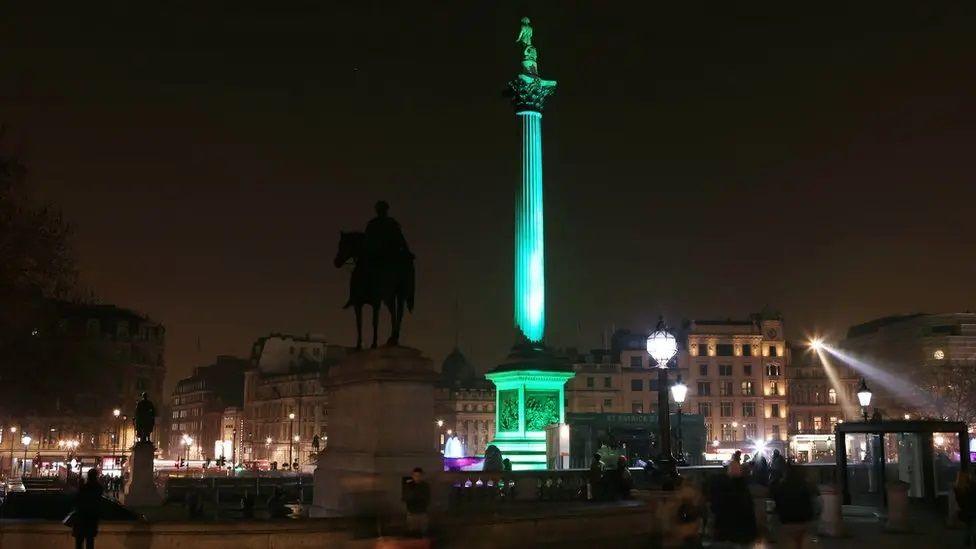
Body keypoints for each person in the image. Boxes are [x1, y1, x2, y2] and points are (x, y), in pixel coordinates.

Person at [709, 462, 758, 546]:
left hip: (727, 532)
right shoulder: (744, 488)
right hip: (744, 532)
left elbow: (718, 508)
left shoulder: (724, 487)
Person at [772, 464, 818, 549]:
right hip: (804, 521)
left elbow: (777, 502)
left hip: (786, 521)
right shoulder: (806, 485)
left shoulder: (781, 486)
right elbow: (815, 502)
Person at [69, 468, 103, 549]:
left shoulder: (84, 487)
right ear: (96, 476)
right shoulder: (99, 488)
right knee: (90, 540)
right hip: (92, 517)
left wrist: (79, 486)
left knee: (79, 541)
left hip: (81, 517)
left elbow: (76, 499)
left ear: (88, 476)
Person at [402, 467, 431, 537]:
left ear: (422, 476)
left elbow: (427, 499)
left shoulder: (425, 486)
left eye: (419, 476)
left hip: (422, 513)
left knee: (423, 534)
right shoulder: (408, 486)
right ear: (413, 476)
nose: (417, 478)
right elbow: (405, 498)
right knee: (412, 534)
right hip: (412, 513)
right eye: (415, 476)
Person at [957, 469, 976, 548]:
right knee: (972, 528)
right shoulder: (970, 486)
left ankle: (967, 542)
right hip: (972, 511)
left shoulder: (967, 485)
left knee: (969, 527)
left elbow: (961, 498)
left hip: (968, 510)